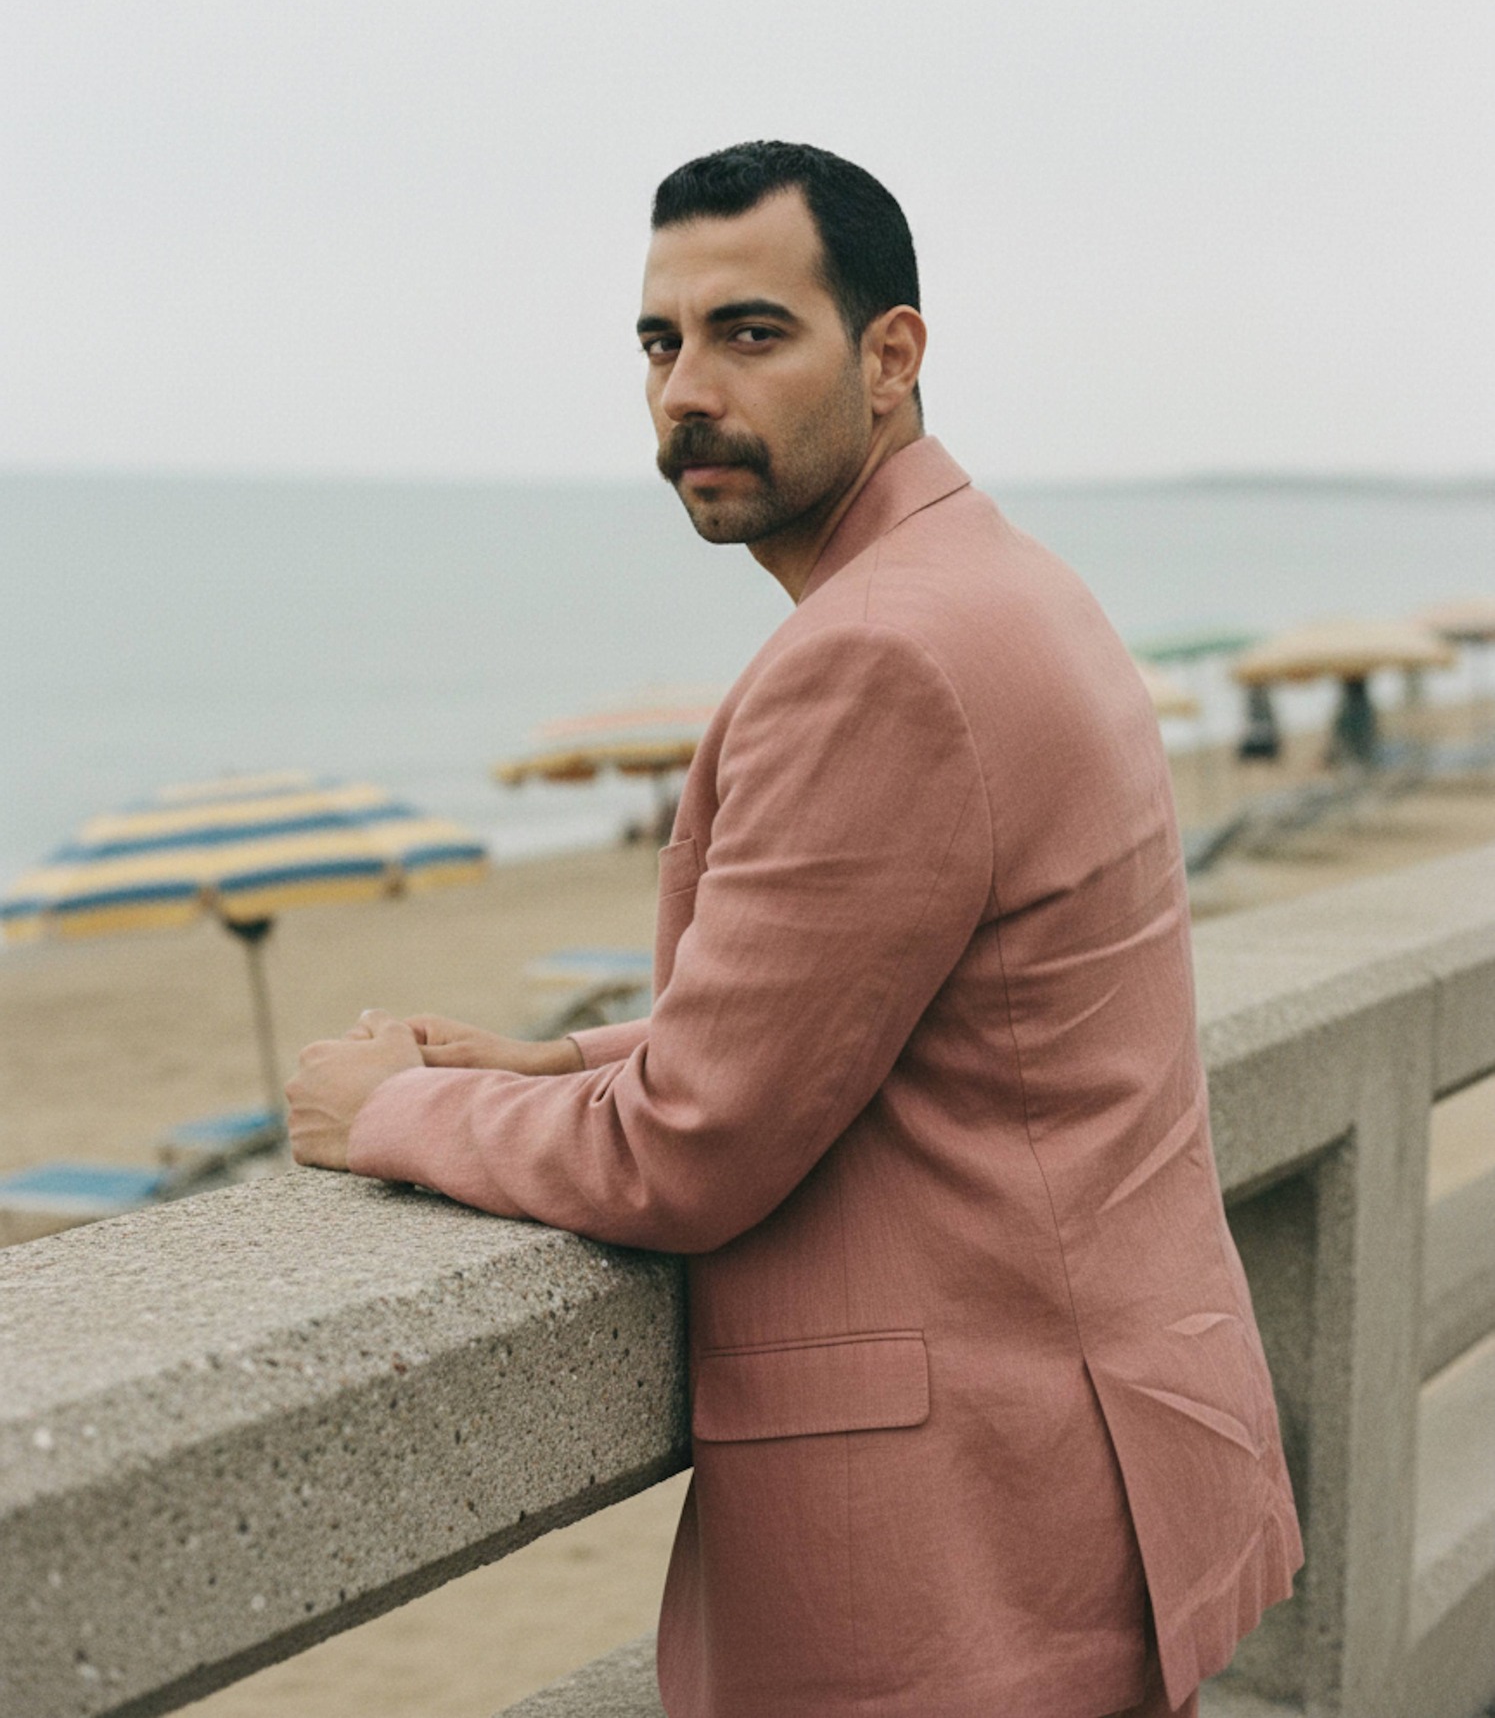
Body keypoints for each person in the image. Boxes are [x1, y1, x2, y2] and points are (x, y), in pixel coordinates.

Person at [288, 142, 1301, 1718]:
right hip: (1100, 1456)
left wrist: (401, 1112)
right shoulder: (1005, 582)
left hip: (968, 1532)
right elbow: (931, 999)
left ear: (889, 356)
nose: (687, 390)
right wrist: (557, 1057)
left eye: (751, 334)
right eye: (657, 343)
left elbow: (691, 1152)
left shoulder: (879, 655)